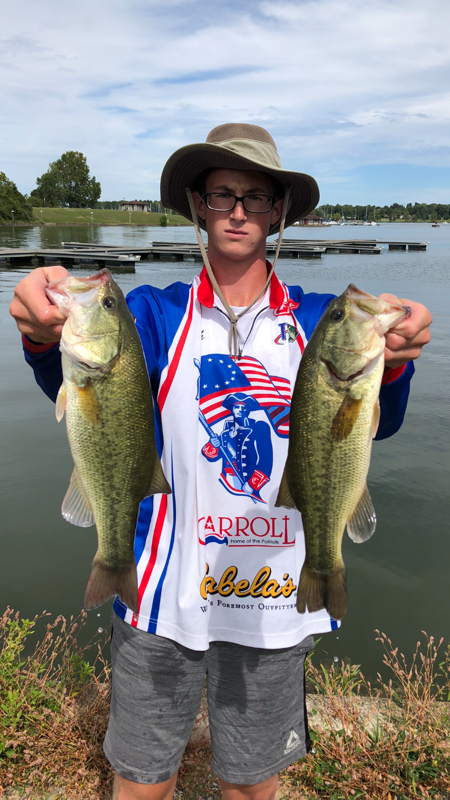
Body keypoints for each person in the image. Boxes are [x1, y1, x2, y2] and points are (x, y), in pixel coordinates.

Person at [10, 123, 432, 800]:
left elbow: (374, 429)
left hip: (273, 602)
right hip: (162, 597)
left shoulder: (323, 319)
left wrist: (399, 358)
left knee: (249, 785)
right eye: (222, 195)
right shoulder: (150, 313)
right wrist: (40, 336)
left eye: (256, 197)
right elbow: (97, 405)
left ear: (279, 214)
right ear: (197, 206)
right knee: (143, 780)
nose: (238, 211)